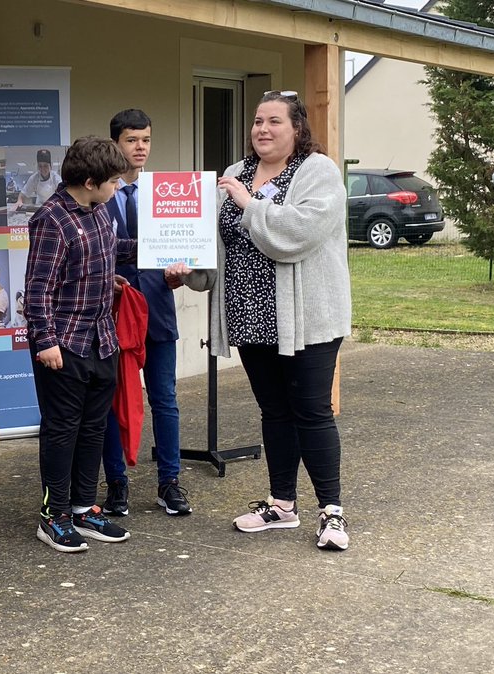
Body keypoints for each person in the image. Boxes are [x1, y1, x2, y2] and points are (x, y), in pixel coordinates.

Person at [166, 91, 351, 551]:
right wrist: (186, 268)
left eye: (274, 122)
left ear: (297, 129)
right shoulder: (234, 174)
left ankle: (332, 512)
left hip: (306, 317)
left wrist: (250, 205)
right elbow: (216, 243)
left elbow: (298, 234)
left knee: (311, 411)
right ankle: (282, 505)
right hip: (250, 314)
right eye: (257, 121)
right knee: (274, 411)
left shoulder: (318, 172)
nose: (262, 130)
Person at [24, 136, 136, 553]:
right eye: (113, 181)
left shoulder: (100, 210)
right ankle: (54, 516)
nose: (118, 188)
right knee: (61, 431)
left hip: (102, 340)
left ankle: (84, 507)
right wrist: (46, 341)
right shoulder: (50, 219)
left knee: (93, 428)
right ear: (90, 181)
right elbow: (37, 289)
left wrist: (162, 247)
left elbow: (112, 250)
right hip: (64, 345)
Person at [100, 108, 191, 518]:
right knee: (112, 400)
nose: (141, 148)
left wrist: (180, 273)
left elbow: (181, 247)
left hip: (157, 306)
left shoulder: (166, 191)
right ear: (116, 142)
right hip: (112, 310)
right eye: (133, 140)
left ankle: (169, 482)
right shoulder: (99, 192)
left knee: (165, 399)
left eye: (147, 140)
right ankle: (116, 484)